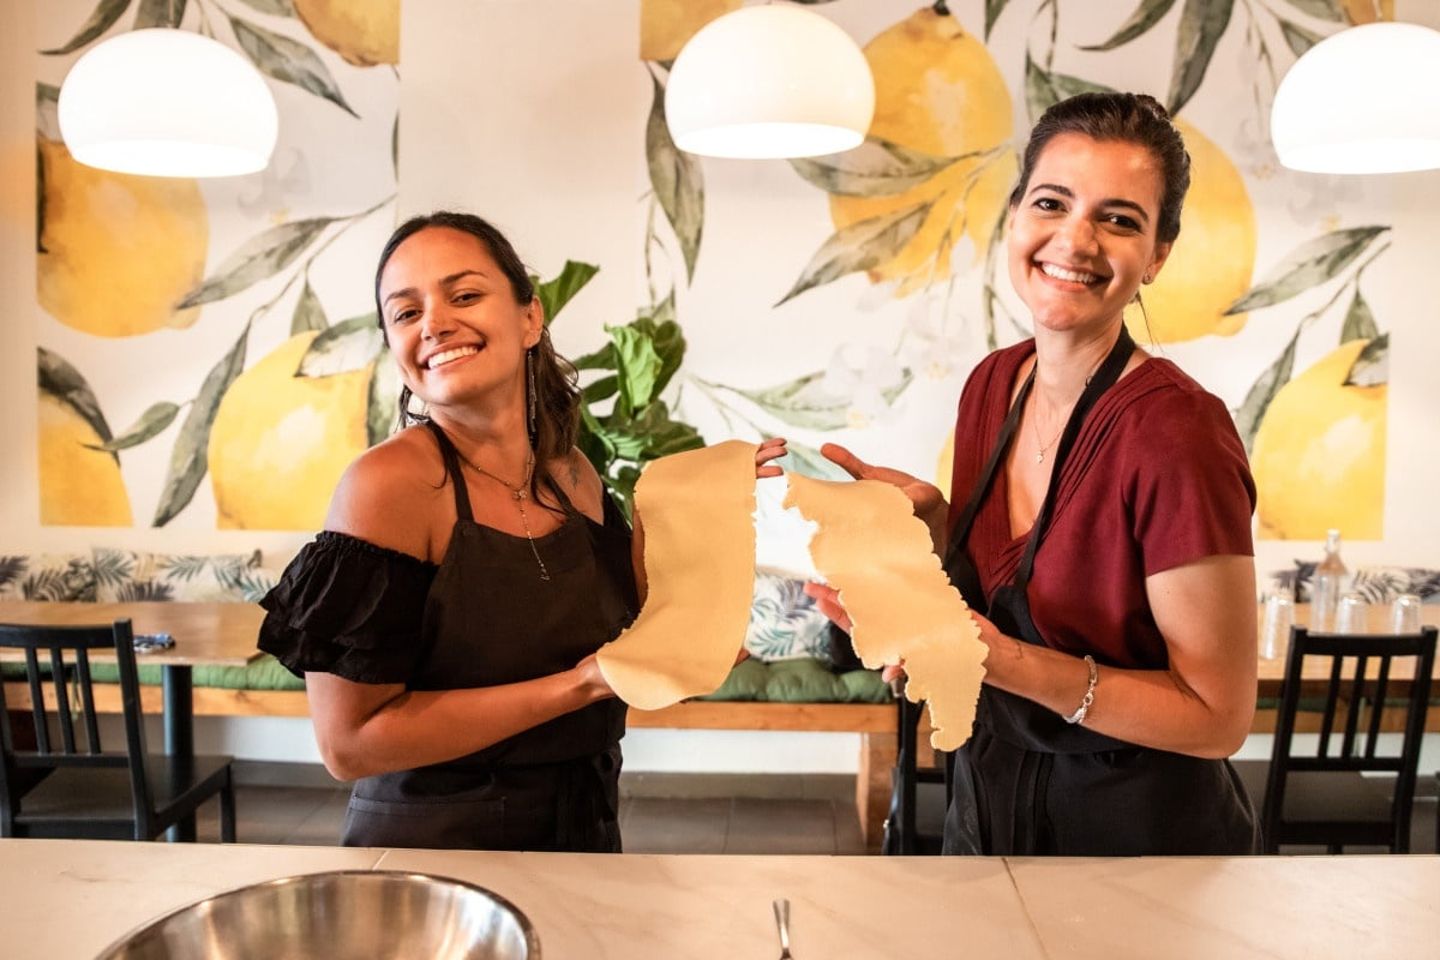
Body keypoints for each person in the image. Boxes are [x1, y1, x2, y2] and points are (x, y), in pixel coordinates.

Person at [807, 93, 1261, 856]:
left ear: (1157, 256)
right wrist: (925, 542)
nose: (1075, 239)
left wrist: (1006, 663)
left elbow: (1218, 718)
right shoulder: (991, 386)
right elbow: (1004, 602)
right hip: (985, 813)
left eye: (1119, 219)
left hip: (1137, 847)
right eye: (1051, 202)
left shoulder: (1178, 434)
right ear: (1015, 216)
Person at [258, 211, 784, 851]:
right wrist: (580, 685)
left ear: (530, 317)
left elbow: (635, 645)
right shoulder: (388, 485)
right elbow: (350, 744)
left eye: (464, 296)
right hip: (435, 851)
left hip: (587, 830)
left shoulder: (573, 471)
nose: (434, 324)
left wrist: (689, 507)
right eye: (406, 312)